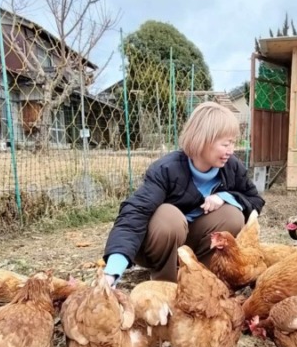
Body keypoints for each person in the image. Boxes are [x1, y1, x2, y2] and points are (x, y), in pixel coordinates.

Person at [102, 101, 265, 285]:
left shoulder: (232, 167)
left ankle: (199, 279)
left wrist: (224, 197)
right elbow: (135, 213)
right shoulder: (166, 169)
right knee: (169, 216)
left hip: (192, 241)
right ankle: (165, 283)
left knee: (232, 215)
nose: (231, 150)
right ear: (202, 140)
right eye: (226, 144)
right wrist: (113, 270)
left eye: (233, 143)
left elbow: (255, 201)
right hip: (156, 245)